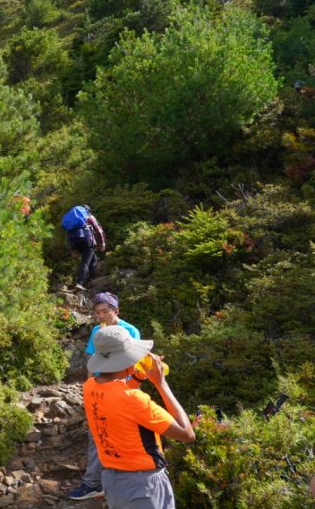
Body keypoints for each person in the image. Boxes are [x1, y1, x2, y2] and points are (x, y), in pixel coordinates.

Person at [81, 325, 195, 508]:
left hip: (113, 481)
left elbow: (117, 401)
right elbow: (187, 434)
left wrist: (138, 377)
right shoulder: (134, 399)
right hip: (143, 486)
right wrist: (161, 384)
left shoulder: (89, 387)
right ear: (126, 360)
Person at [68, 292, 140, 501]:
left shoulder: (130, 331)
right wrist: (89, 386)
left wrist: (127, 391)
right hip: (100, 389)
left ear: (116, 310)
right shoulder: (96, 330)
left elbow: (133, 364)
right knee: (97, 435)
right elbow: (93, 360)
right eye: (97, 312)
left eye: (105, 311)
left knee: (118, 438)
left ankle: (107, 482)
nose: (101, 316)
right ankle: (94, 482)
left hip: (122, 390)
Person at [62, 205, 106, 287]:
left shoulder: (74, 219)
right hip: (87, 241)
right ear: (88, 210)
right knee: (85, 262)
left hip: (75, 242)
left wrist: (73, 249)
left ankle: (92, 279)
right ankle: (80, 283)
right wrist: (102, 244)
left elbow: (69, 233)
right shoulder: (89, 216)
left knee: (93, 259)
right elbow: (99, 230)